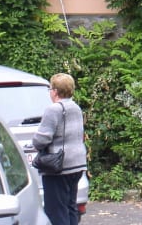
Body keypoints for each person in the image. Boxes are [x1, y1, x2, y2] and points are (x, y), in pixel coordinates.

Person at [33, 73, 87, 225]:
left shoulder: (54, 109)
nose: (50, 92)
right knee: (70, 207)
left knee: (56, 211)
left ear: (55, 91)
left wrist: (34, 142)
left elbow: (42, 139)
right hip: (77, 164)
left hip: (59, 167)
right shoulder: (76, 107)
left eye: (50, 89)